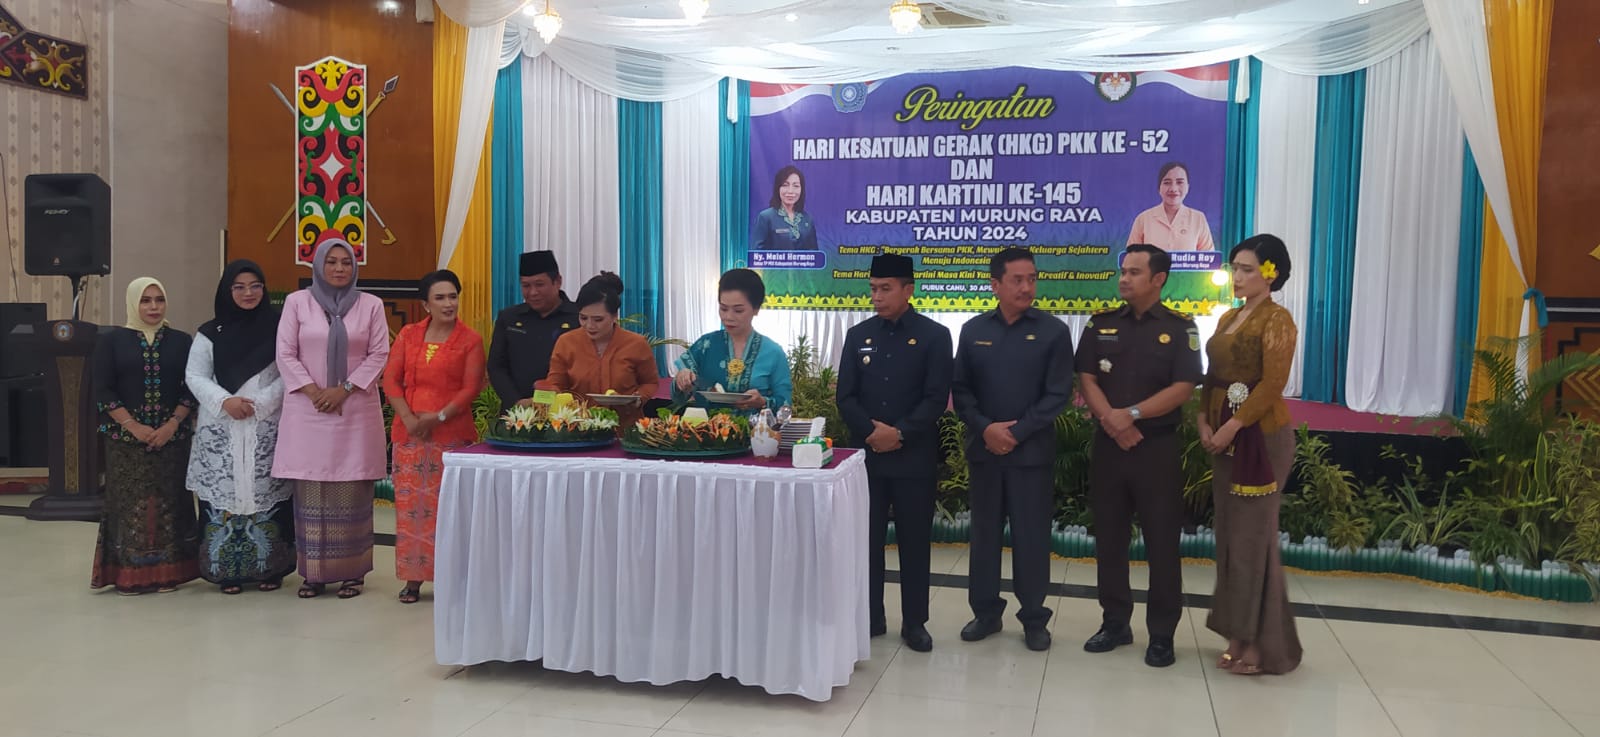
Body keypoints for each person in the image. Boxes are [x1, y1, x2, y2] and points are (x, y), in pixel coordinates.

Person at [1074, 244, 1203, 667]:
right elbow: (1087, 377)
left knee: (1162, 542)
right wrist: (1112, 421)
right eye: (1123, 271)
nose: (1124, 279)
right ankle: (1115, 623)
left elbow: (1183, 387)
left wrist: (1130, 415)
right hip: (1109, 446)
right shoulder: (1101, 323)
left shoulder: (1181, 327)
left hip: (1156, 448)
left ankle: (1162, 633)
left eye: (1134, 272)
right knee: (1110, 538)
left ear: (1158, 279)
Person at [951, 247, 1074, 651]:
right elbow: (962, 391)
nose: (1026, 287)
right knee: (984, 537)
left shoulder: (1054, 331)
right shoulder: (973, 330)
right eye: (1017, 280)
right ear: (995, 284)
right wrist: (986, 428)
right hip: (985, 453)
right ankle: (986, 613)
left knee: (1031, 538)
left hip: (1030, 455)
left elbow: (1057, 394)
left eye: (1032, 279)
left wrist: (1016, 433)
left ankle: (1034, 618)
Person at [836, 254, 952, 653]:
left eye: (885, 289)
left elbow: (935, 398)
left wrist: (900, 433)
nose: (877, 297)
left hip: (913, 457)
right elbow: (845, 396)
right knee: (866, 541)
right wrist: (872, 433)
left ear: (908, 289)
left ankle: (915, 622)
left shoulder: (935, 336)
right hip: (868, 458)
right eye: (873, 289)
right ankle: (871, 617)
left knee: (914, 543)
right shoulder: (859, 335)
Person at [1200, 234, 1303, 676]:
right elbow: (1212, 376)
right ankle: (1237, 635)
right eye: (1235, 268)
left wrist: (1232, 426)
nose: (1237, 277)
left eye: (1247, 269)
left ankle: (1264, 643)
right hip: (1225, 436)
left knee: (1253, 541)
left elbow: (1273, 384)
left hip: (1260, 438)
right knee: (1230, 538)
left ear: (1270, 274)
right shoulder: (1229, 317)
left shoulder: (1278, 319)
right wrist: (1203, 421)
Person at [274, 239, 390, 600]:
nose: (339, 268)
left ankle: (353, 573)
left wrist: (343, 389)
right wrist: (314, 391)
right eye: (332, 262)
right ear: (319, 265)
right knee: (312, 493)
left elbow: (379, 353)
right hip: (308, 412)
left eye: (346, 262)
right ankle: (314, 574)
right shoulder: (297, 302)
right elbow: (285, 353)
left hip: (353, 412)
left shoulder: (371, 305)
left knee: (352, 493)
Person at [186, 260, 295, 595]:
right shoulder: (209, 332)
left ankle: (270, 569)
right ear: (226, 291)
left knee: (268, 496)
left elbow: (289, 372)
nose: (248, 293)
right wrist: (225, 402)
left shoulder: (280, 328)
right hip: (222, 428)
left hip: (265, 426)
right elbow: (195, 376)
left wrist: (260, 403)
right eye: (239, 287)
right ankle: (226, 572)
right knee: (225, 497)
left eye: (255, 286)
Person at [91, 277, 200, 594]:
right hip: (125, 442)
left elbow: (191, 387)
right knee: (131, 507)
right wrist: (133, 426)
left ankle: (169, 573)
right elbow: (103, 390)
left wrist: (172, 425)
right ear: (133, 303)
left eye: (159, 300)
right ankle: (130, 575)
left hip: (172, 440)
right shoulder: (112, 341)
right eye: (145, 300)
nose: (153, 307)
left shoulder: (181, 341)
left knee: (169, 504)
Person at [384, 270, 485, 605]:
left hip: (452, 437)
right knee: (411, 510)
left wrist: (438, 417)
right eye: (440, 298)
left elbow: (470, 388)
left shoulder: (470, 340)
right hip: (409, 435)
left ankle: (453, 579)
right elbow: (391, 381)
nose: (448, 303)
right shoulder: (409, 335)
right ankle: (413, 579)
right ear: (426, 304)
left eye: (452, 296)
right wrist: (409, 418)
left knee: (449, 510)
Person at [540, 272, 660, 427]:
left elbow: (650, 382)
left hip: (626, 430)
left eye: (598, 319)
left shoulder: (636, 344)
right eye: (583, 318)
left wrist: (638, 398)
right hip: (578, 429)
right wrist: (546, 394)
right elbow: (556, 384)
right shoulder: (566, 343)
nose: (590, 325)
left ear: (615, 316)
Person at [673, 268, 792, 413]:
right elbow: (678, 397)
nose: (728, 317)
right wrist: (681, 380)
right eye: (723, 309)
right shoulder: (705, 345)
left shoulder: (773, 352)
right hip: (707, 427)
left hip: (755, 427)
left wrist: (762, 402)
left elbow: (785, 406)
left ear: (756, 309)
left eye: (738, 311)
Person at [488, 250, 580, 407]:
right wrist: (516, 402)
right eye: (526, 286)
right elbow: (496, 366)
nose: (533, 292)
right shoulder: (509, 318)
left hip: (565, 412)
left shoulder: (578, 318)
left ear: (558, 281)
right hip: (517, 412)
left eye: (539, 285)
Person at [1127, 162, 1215, 251]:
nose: (1173, 189)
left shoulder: (1198, 218)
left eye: (1179, 182)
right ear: (1159, 188)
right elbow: (1130, 255)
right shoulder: (1143, 219)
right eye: (1167, 183)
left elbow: (1208, 256)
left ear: (1187, 187)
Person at [751, 165, 819, 250]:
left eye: (796, 186)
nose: (790, 191)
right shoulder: (765, 217)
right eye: (785, 185)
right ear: (778, 188)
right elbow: (757, 253)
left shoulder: (807, 219)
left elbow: (814, 253)